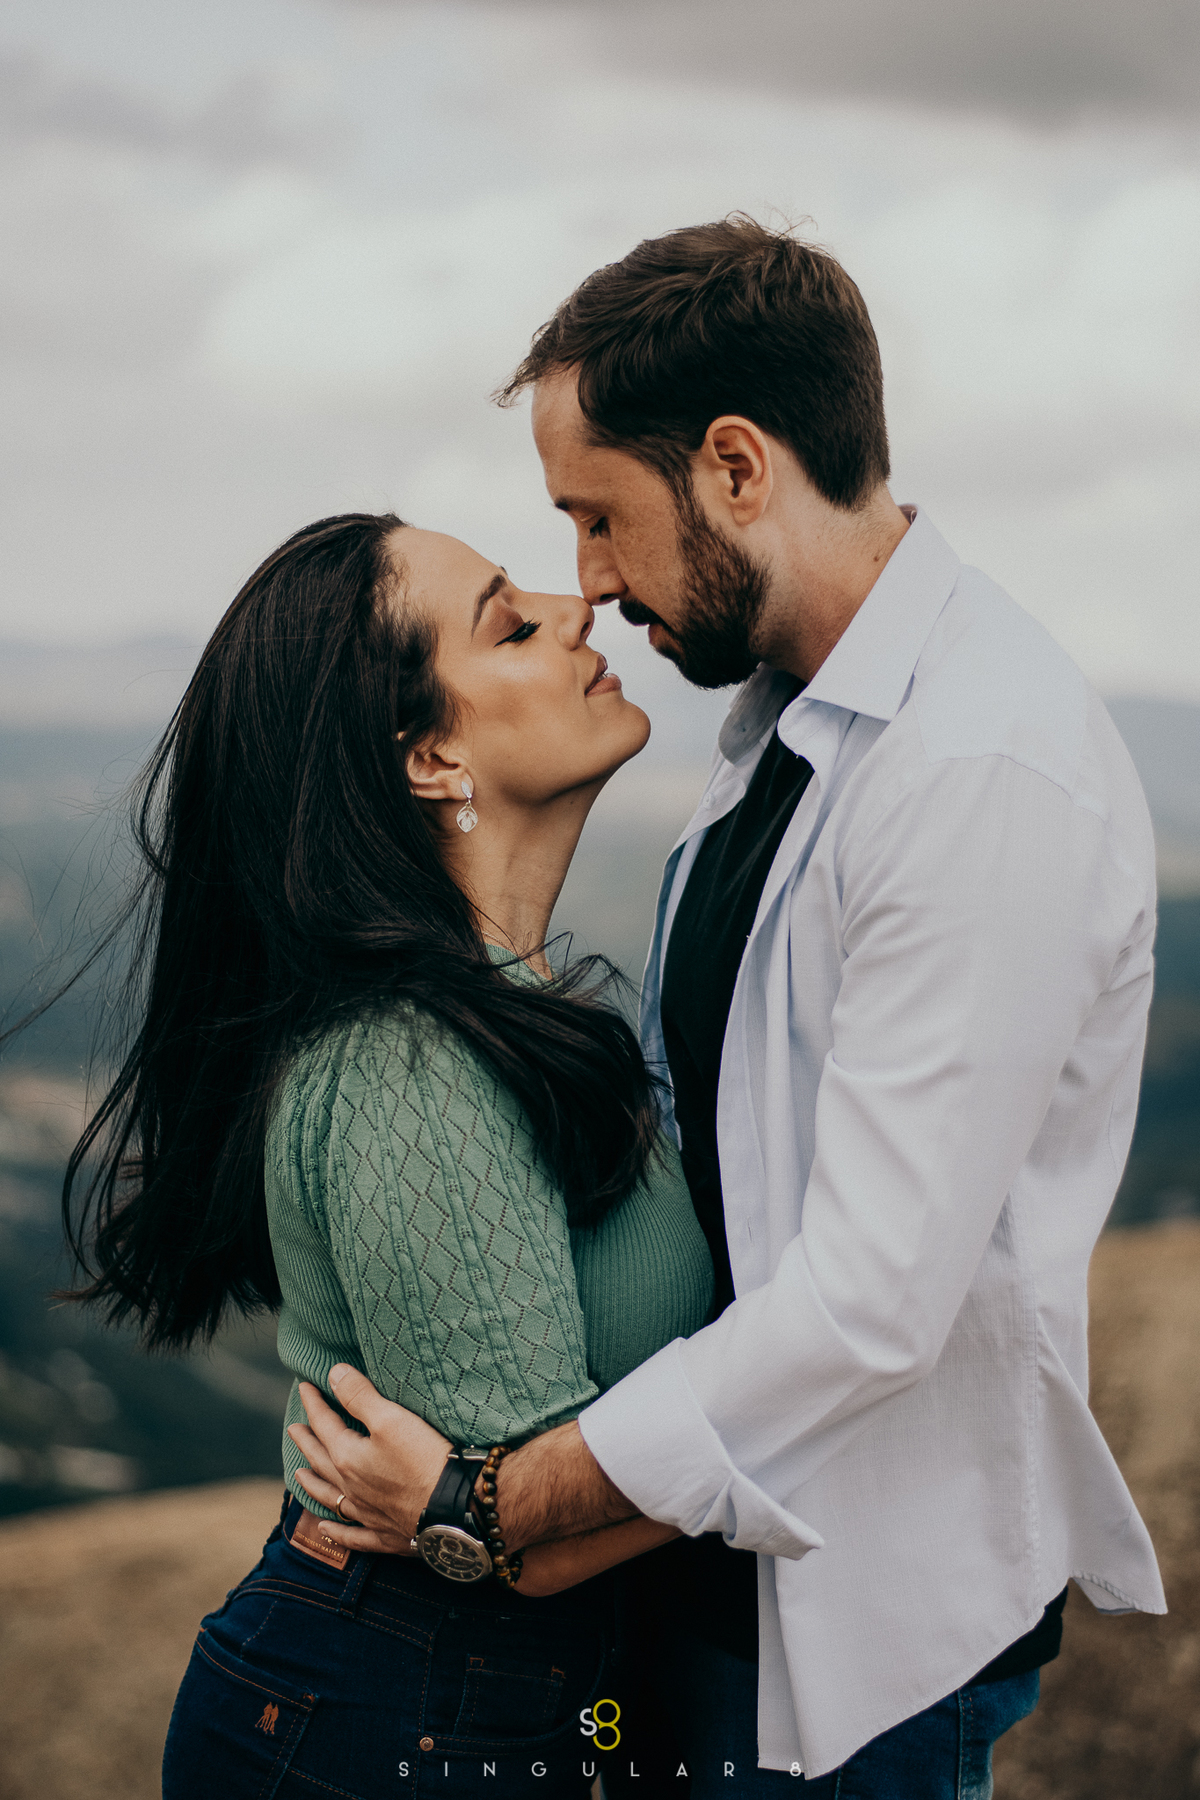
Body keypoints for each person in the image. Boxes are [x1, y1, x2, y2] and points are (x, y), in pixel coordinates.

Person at [292, 219, 1167, 1797]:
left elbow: (868, 1299)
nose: (593, 582)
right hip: (726, 1574)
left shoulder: (973, 770)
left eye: (601, 519)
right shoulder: (786, 716)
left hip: (868, 1613)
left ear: (739, 466)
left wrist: (498, 1508)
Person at [30, 512, 721, 1796]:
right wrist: (816, 1428)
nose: (577, 607)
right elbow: (529, 1520)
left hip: (483, 1697)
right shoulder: (407, 1062)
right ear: (430, 755)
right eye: (510, 623)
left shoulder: (510, 1013)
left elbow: (508, 1504)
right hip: (393, 1709)